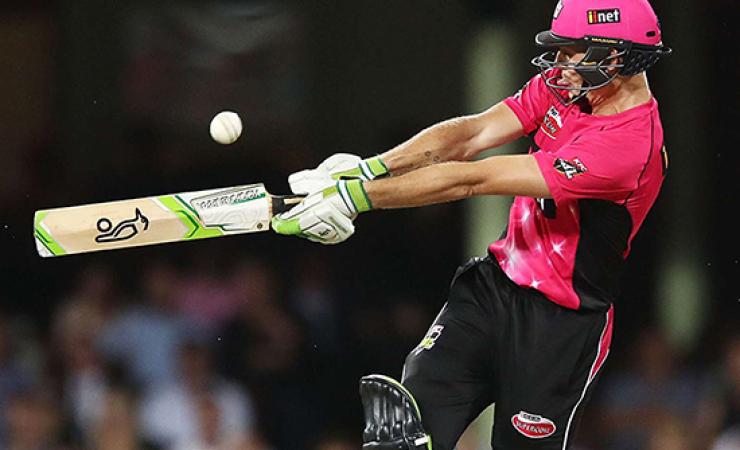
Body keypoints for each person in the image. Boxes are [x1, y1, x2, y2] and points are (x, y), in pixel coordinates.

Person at [272, 0, 671, 448]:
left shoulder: (628, 147)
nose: (558, 65)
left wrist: (356, 198)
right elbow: (473, 134)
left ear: (614, 56)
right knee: (403, 433)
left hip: (561, 326)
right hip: (492, 290)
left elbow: (473, 178)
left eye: (570, 51)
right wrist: (370, 169)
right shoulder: (570, 86)